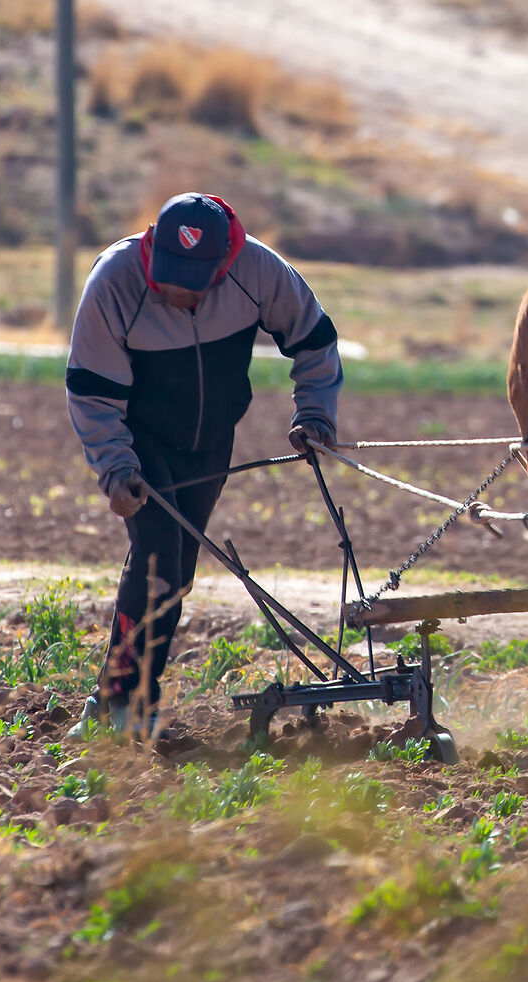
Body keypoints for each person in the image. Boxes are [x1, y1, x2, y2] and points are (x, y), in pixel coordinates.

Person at [64, 192, 343, 740]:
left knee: (178, 572)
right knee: (157, 558)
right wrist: (115, 469)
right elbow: (91, 392)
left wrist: (315, 415)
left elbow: (315, 340)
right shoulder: (114, 282)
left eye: (193, 281)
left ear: (223, 264)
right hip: (141, 441)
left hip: (211, 441)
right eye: (168, 276)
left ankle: (126, 698)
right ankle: (119, 703)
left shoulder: (259, 271)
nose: (176, 291)